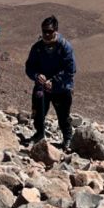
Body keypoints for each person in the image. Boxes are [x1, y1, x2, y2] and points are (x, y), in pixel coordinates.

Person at [25, 15, 76, 149]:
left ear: (56, 31)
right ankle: (39, 134)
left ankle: (67, 139)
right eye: (44, 31)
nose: (47, 34)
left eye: (50, 31)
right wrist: (37, 76)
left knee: (63, 116)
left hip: (61, 88)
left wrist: (53, 81)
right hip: (41, 87)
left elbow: (70, 70)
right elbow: (29, 67)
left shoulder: (65, 47)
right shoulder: (37, 47)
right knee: (38, 113)